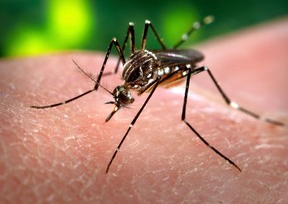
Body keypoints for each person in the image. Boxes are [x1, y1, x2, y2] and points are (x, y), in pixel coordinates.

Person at [0, 18, 287, 203]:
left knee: (199, 67)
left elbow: (157, 79)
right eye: (121, 96)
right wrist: (108, 77)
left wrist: (128, 125)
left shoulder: (142, 82)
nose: (120, 99)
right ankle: (108, 78)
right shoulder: (130, 79)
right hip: (149, 63)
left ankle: (231, 107)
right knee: (122, 37)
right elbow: (124, 52)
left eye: (121, 97)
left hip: (169, 66)